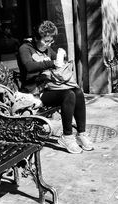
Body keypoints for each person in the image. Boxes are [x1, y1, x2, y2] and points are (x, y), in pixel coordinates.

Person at [17, 20, 93, 154]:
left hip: (49, 87)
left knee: (77, 92)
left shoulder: (47, 48)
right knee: (68, 95)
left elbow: (58, 61)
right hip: (34, 92)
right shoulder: (25, 48)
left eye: (51, 41)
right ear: (36, 38)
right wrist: (52, 63)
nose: (48, 44)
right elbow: (29, 67)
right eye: (46, 41)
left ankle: (81, 134)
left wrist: (62, 59)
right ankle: (67, 137)